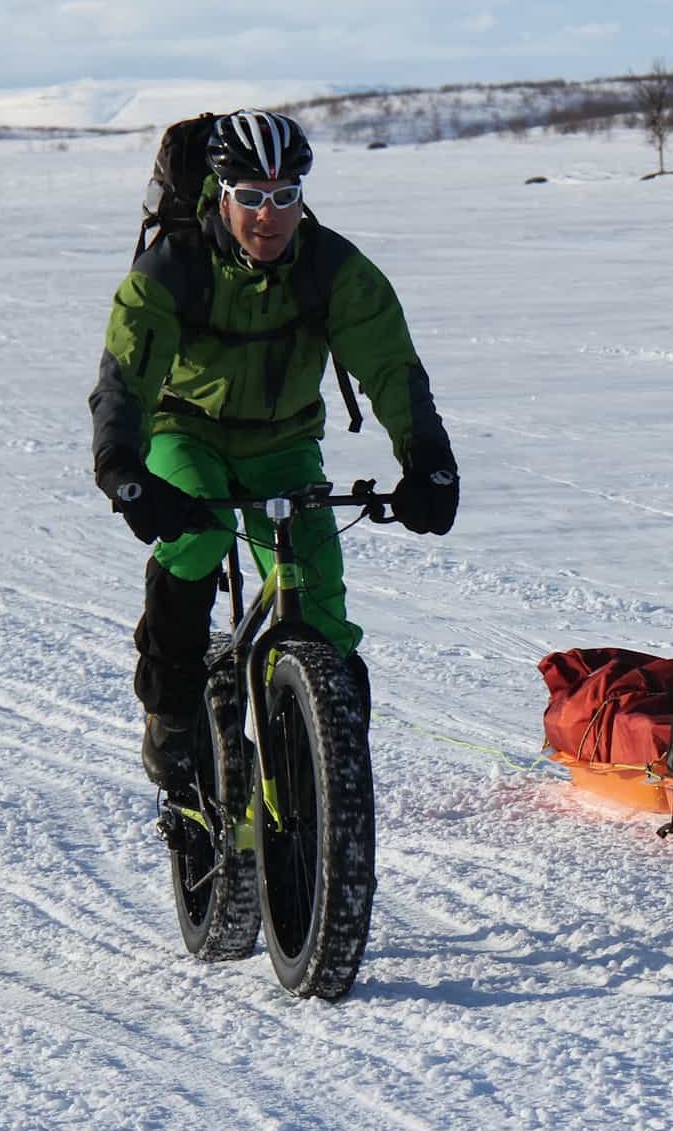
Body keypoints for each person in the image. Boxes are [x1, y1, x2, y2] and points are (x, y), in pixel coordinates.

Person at [88, 109, 459, 794]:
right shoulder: (172, 268)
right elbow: (127, 377)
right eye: (251, 197)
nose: (269, 216)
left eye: (284, 196)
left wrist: (427, 456)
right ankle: (171, 712)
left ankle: (327, 764)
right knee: (194, 541)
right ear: (221, 196)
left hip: (284, 444)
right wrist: (123, 467)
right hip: (186, 433)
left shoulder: (331, 268)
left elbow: (390, 367)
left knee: (320, 607)